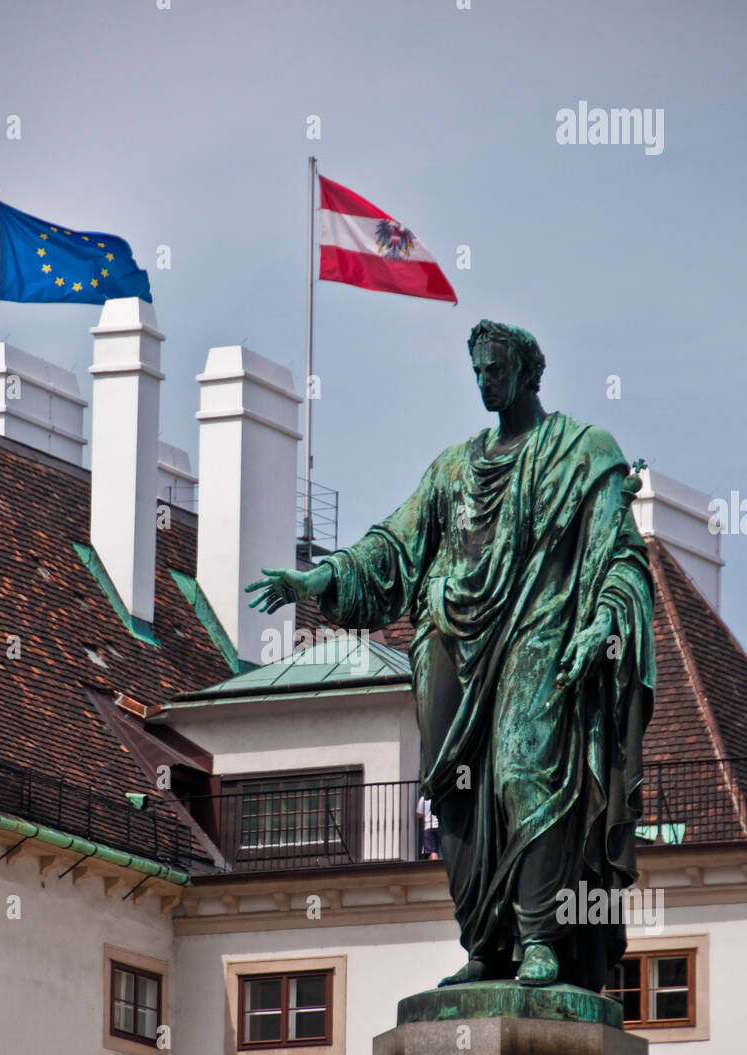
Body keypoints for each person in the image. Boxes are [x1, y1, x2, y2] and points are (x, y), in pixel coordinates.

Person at [247, 320, 655, 991]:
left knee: (525, 776)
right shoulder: (452, 469)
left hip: (542, 631)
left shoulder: (583, 453)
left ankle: (540, 938)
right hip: (448, 643)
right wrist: (319, 578)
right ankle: (485, 944)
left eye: (493, 370)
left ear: (526, 370)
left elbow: (618, 556)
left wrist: (604, 622)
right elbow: (393, 548)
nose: (482, 382)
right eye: (474, 371)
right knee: (455, 795)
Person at [416, 795, 440, 859]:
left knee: (433, 850)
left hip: (429, 826)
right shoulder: (439, 795)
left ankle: (435, 867)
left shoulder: (423, 799)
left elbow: (419, 814)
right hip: (441, 826)